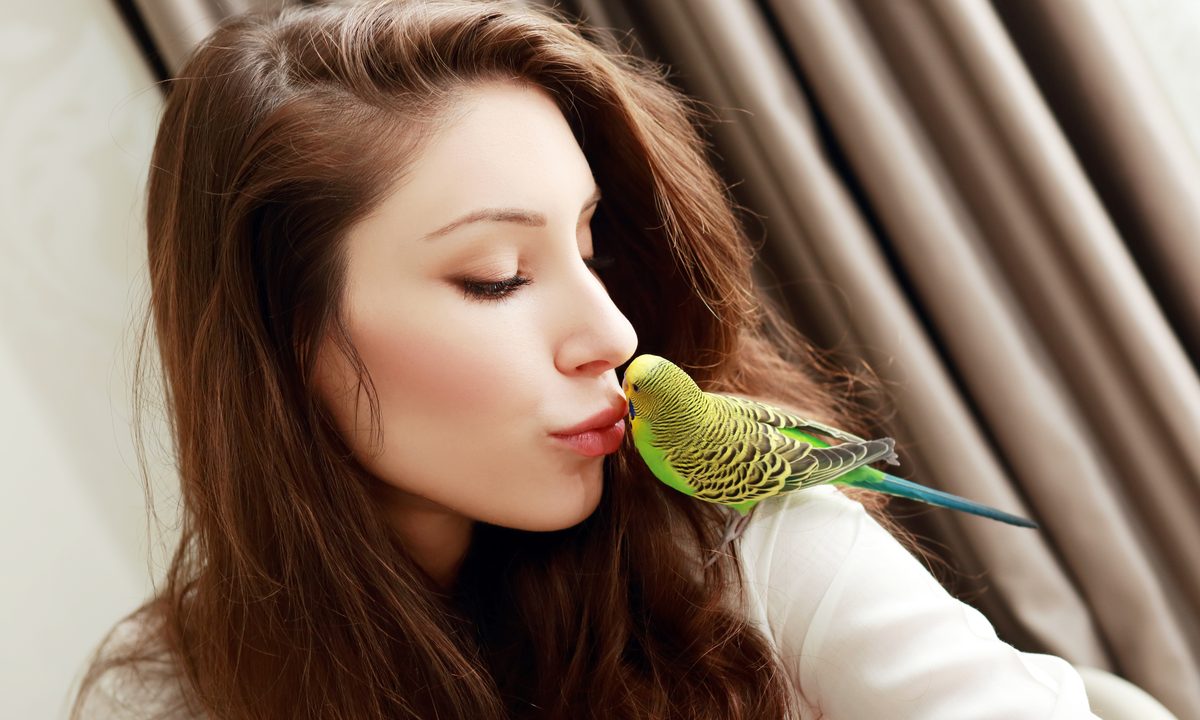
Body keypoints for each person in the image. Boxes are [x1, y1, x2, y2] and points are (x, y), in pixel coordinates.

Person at [70, 1, 1101, 717]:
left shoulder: (767, 559)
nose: (612, 335)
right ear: (284, 342)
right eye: (497, 276)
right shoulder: (178, 692)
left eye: (591, 245)